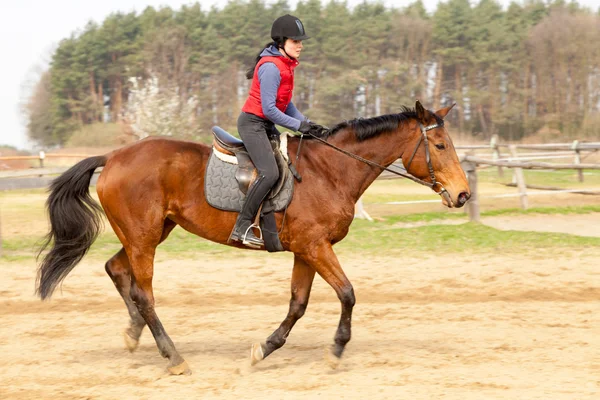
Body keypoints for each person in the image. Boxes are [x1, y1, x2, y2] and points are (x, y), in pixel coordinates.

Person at [229, 14, 327, 248]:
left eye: (301, 42)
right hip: (253, 124)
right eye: (296, 42)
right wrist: (297, 125)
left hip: (265, 124)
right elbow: (270, 110)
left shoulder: (286, 65)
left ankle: (271, 223)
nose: (300, 46)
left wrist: (307, 123)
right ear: (282, 42)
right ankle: (242, 226)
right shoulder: (272, 67)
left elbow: (287, 104)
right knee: (270, 173)